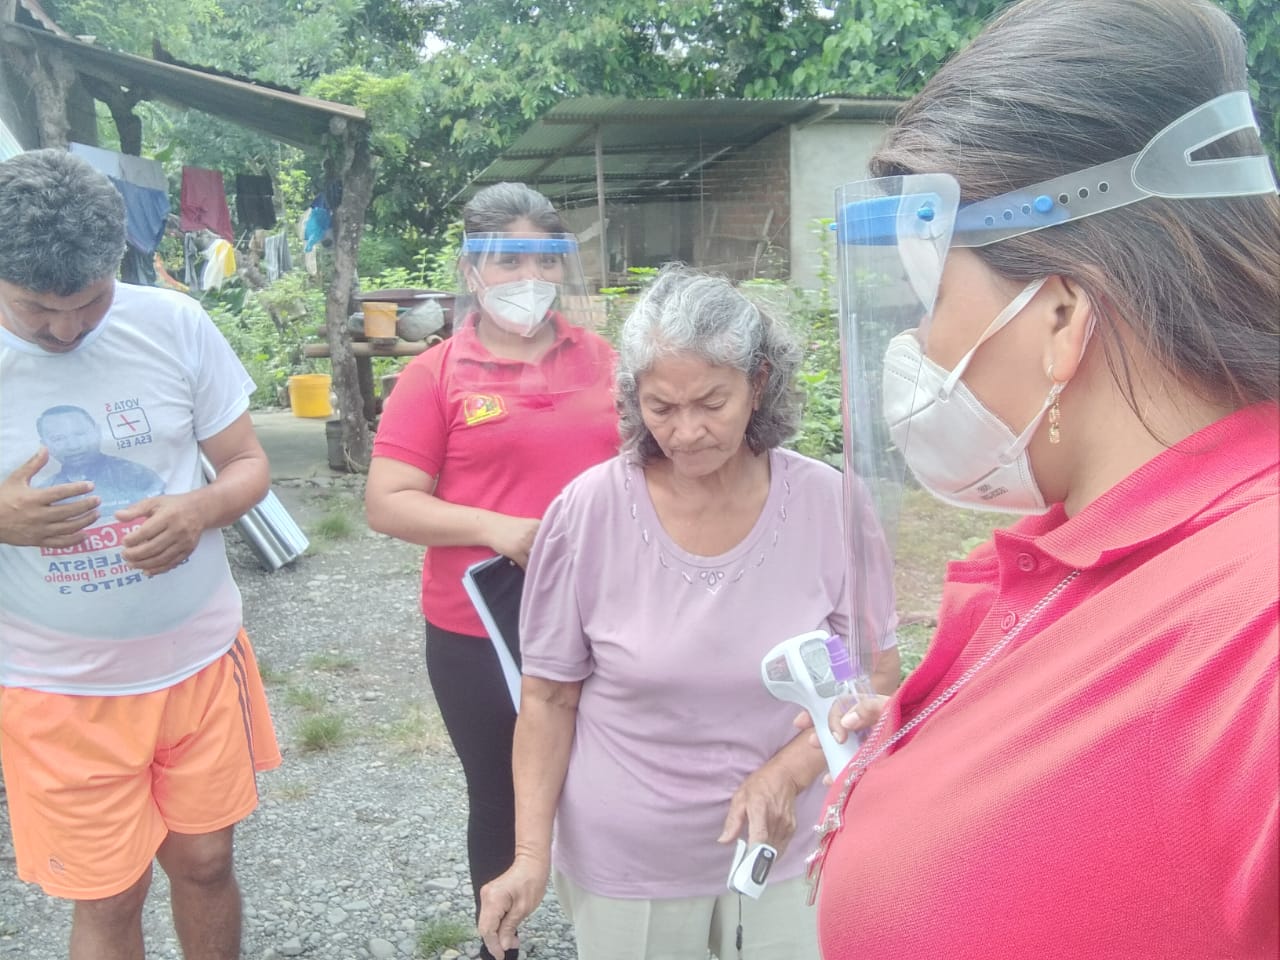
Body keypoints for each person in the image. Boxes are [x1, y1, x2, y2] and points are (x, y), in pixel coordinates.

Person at [810, 1, 1279, 957]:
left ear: (1062, 313)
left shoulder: (1257, 631)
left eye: (933, 296)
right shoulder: (1107, 543)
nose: (918, 342)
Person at [476, 265, 901, 960]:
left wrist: (790, 771)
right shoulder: (588, 512)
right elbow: (550, 697)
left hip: (789, 841)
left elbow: (870, 669)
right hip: (631, 858)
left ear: (758, 383)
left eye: (711, 402)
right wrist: (529, 855)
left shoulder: (830, 504)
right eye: (661, 406)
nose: (687, 431)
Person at [0, 149, 280, 960]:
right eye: (36, 309)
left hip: (198, 662)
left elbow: (247, 463)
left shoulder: (172, 323)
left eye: (89, 303)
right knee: (109, 895)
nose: (65, 330)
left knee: (206, 861)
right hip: (58, 688)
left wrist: (199, 510)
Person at [364, 182, 619, 960]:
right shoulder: (437, 373)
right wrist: (493, 528)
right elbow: (387, 502)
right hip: (480, 629)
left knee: (613, 779)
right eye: (507, 261)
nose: (526, 278)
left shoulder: (606, 361)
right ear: (473, 270)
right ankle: (499, 945)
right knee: (503, 792)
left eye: (543, 260)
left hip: (605, 613)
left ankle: (620, 929)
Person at [36, 404, 166, 514]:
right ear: (45, 445)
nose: (73, 446)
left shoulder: (135, 474)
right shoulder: (43, 493)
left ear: (97, 432)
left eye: (80, 434)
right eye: (58, 439)